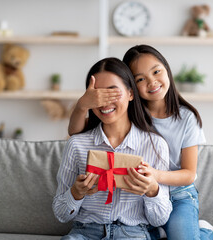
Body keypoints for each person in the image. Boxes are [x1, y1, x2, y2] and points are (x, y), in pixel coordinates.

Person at [67, 45, 213, 240]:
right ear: (131, 88)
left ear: (167, 69)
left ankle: (206, 234)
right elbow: (76, 133)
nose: (152, 82)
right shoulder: (130, 112)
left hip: (178, 195)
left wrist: (154, 176)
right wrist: (83, 105)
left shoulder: (187, 118)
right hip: (142, 198)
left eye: (157, 72)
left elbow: (189, 174)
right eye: (140, 79)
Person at [53, 57, 172, 240]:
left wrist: (152, 190)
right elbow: (60, 213)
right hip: (86, 231)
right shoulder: (77, 145)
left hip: (132, 233)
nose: (104, 102)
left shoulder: (155, 145)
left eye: (112, 92)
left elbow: (160, 219)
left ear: (131, 93)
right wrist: (76, 193)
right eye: (97, 95)